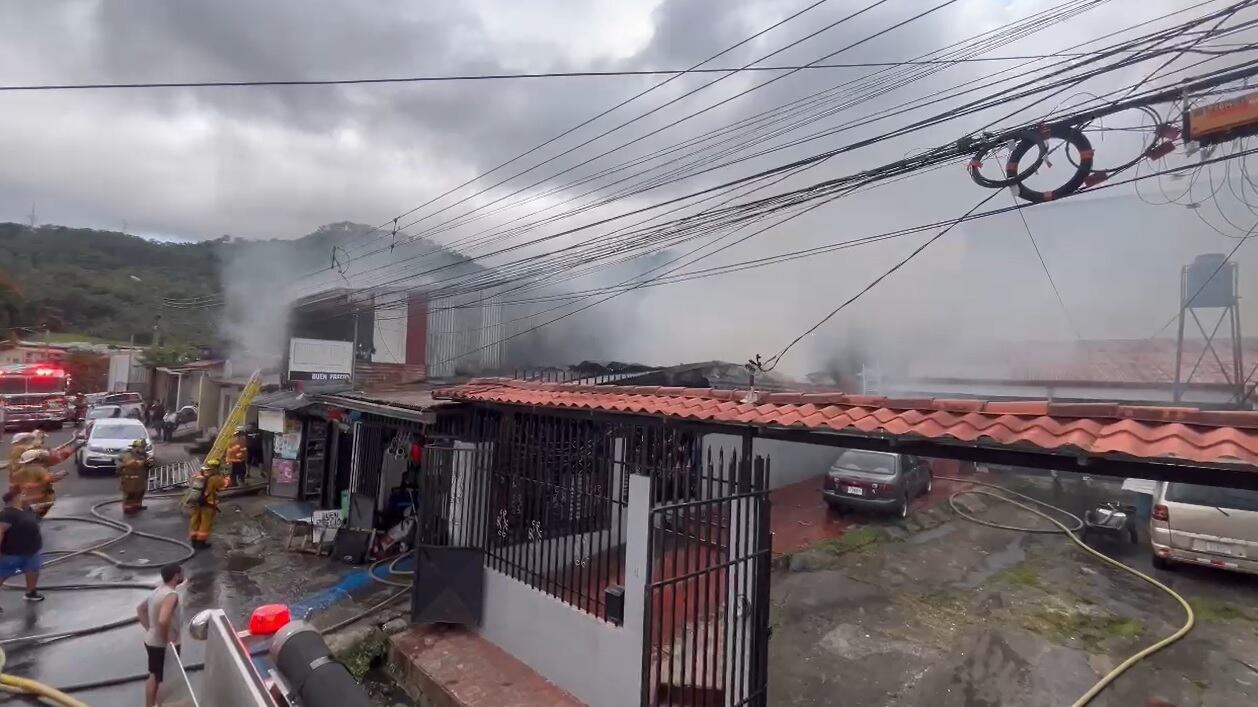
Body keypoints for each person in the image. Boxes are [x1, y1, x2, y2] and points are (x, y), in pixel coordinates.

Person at [137, 562, 185, 707]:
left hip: (151, 641)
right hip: (162, 645)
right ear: (176, 576)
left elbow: (140, 609)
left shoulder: (158, 590)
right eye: (182, 573)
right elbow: (164, 619)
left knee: (154, 677)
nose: (184, 575)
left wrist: (150, 629)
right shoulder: (171, 595)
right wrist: (166, 640)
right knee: (165, 680)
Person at [0, 489, 45, 609]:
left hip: (31, 551)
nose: (25, 497)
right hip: (12, 553)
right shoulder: (7, 514)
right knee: (2, 574)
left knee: (33, 570)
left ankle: (30, 592)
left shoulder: (27, 510)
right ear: (14, 498)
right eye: (22, 495)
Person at [10, 443, 76, 518]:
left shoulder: (23, 471)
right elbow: (36, 484)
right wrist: (52, 478)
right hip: (38, 504)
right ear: (36, 459)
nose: (44, 458)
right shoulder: (38, 470)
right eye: (41, 457)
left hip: (29, 503)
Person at [183, 459, 229, 550]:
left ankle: (193, 541)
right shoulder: (215, 478)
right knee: (205, 523)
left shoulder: (197, 475)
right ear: (215, 468)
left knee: (195, 521)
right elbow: (223, 486)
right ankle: (201, 543)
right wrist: (227, 478)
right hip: (208, 504)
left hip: (195, 502)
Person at [117, 439, 151, 515]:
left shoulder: (143, 455)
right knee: (130, 493)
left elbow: (147, 464)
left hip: (140, 478)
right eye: (141, 447)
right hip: (129, 478)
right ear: (136, 447)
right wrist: (143, 462)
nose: (142, 449)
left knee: (140, 492)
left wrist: (148, 463)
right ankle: (128, 508)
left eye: (143, 447)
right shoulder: (128, 454)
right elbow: (133, 464)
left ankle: (137, 506)